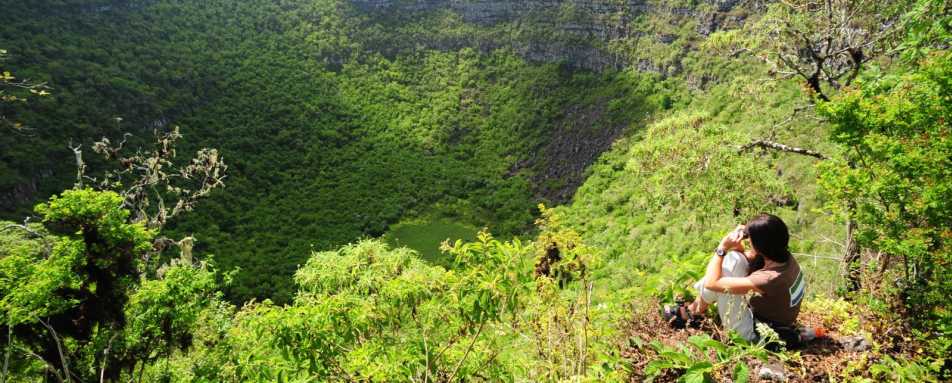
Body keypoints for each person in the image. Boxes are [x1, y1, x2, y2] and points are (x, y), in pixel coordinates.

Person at [674, 214, 809, 345]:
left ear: (760, 246)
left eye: (749, 239)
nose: (747, 240)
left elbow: (712, 283)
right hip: (772, 319)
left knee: (724, 283)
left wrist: (721, 248)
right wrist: (741, 239)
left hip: (759, 334)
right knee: (734, 259)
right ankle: (694, 311)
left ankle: (692, 313)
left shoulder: (769, 278)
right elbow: (744, 257)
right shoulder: (779, 254)